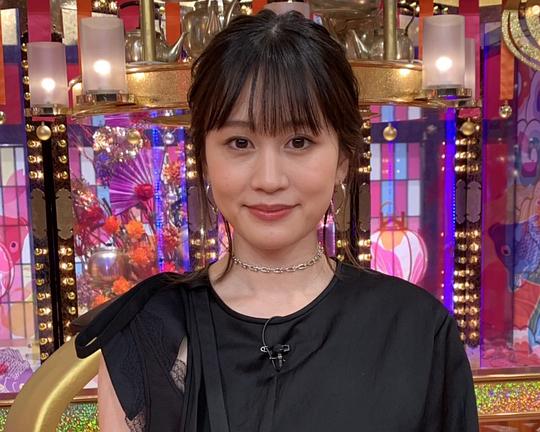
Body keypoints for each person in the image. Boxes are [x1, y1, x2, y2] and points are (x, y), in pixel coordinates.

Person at [75, 9, 479, 432]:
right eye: (240, 142)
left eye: (299, 141)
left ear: (343, 160)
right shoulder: (145, 332)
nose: (269, 179)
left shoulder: (417, 330)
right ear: (205, 159)